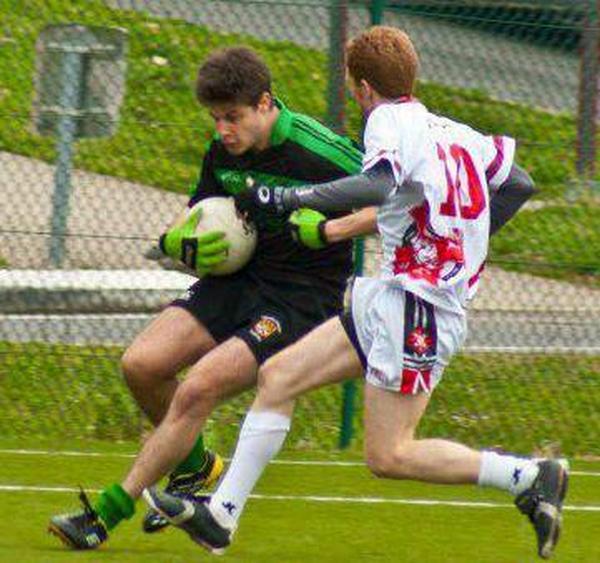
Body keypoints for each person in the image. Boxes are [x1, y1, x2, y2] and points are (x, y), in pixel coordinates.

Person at [144, 27, 568, 560]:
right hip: (390, 297)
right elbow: (518, 183)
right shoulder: (449, 130)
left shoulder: (388, 120)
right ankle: (221, 516)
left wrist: (289, 195)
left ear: (361, 86)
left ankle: (529, 476)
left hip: (419, 308)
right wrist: (461, 244)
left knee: (389, 455)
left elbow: (378, 184)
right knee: (279, 376)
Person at [48, 46, 377, 550]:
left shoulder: (325, 152)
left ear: (265, 104)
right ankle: (195, 466)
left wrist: (332, 229)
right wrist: (178, 242)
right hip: (238, 280)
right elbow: (200, 213)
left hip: (300, 300)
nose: (223, 130)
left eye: (233, 117)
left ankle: (106, 513)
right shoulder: (222, 148)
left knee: (197, 388)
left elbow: (400, 196)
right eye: (216, 118)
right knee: (141, 364)